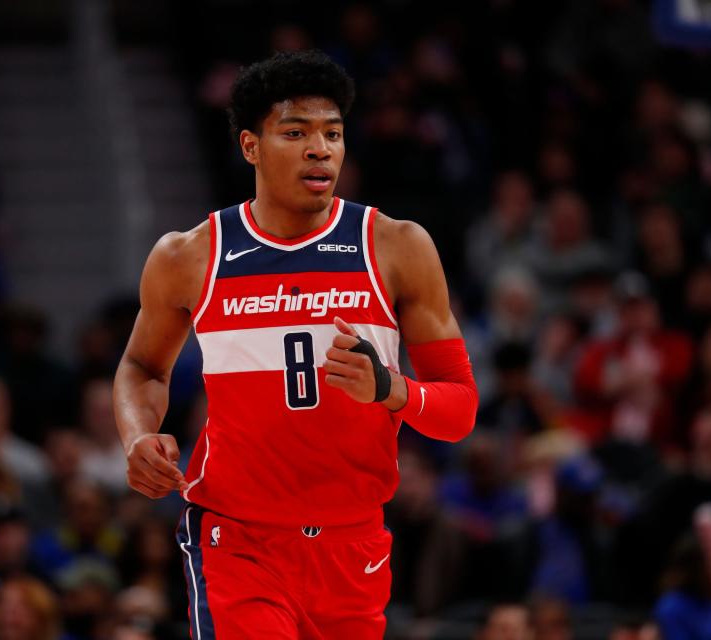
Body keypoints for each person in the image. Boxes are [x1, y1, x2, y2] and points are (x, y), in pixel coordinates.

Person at [113, 50, 479, 638]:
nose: (321, 149)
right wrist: (136, 435)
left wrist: (391, 391)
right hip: (238, 541)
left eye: (333, 133)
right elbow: (141, 367)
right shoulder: (190, 255)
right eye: (296, 132)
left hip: (353, 547)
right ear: (250, 146)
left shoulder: (397, 247)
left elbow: (459, 410)